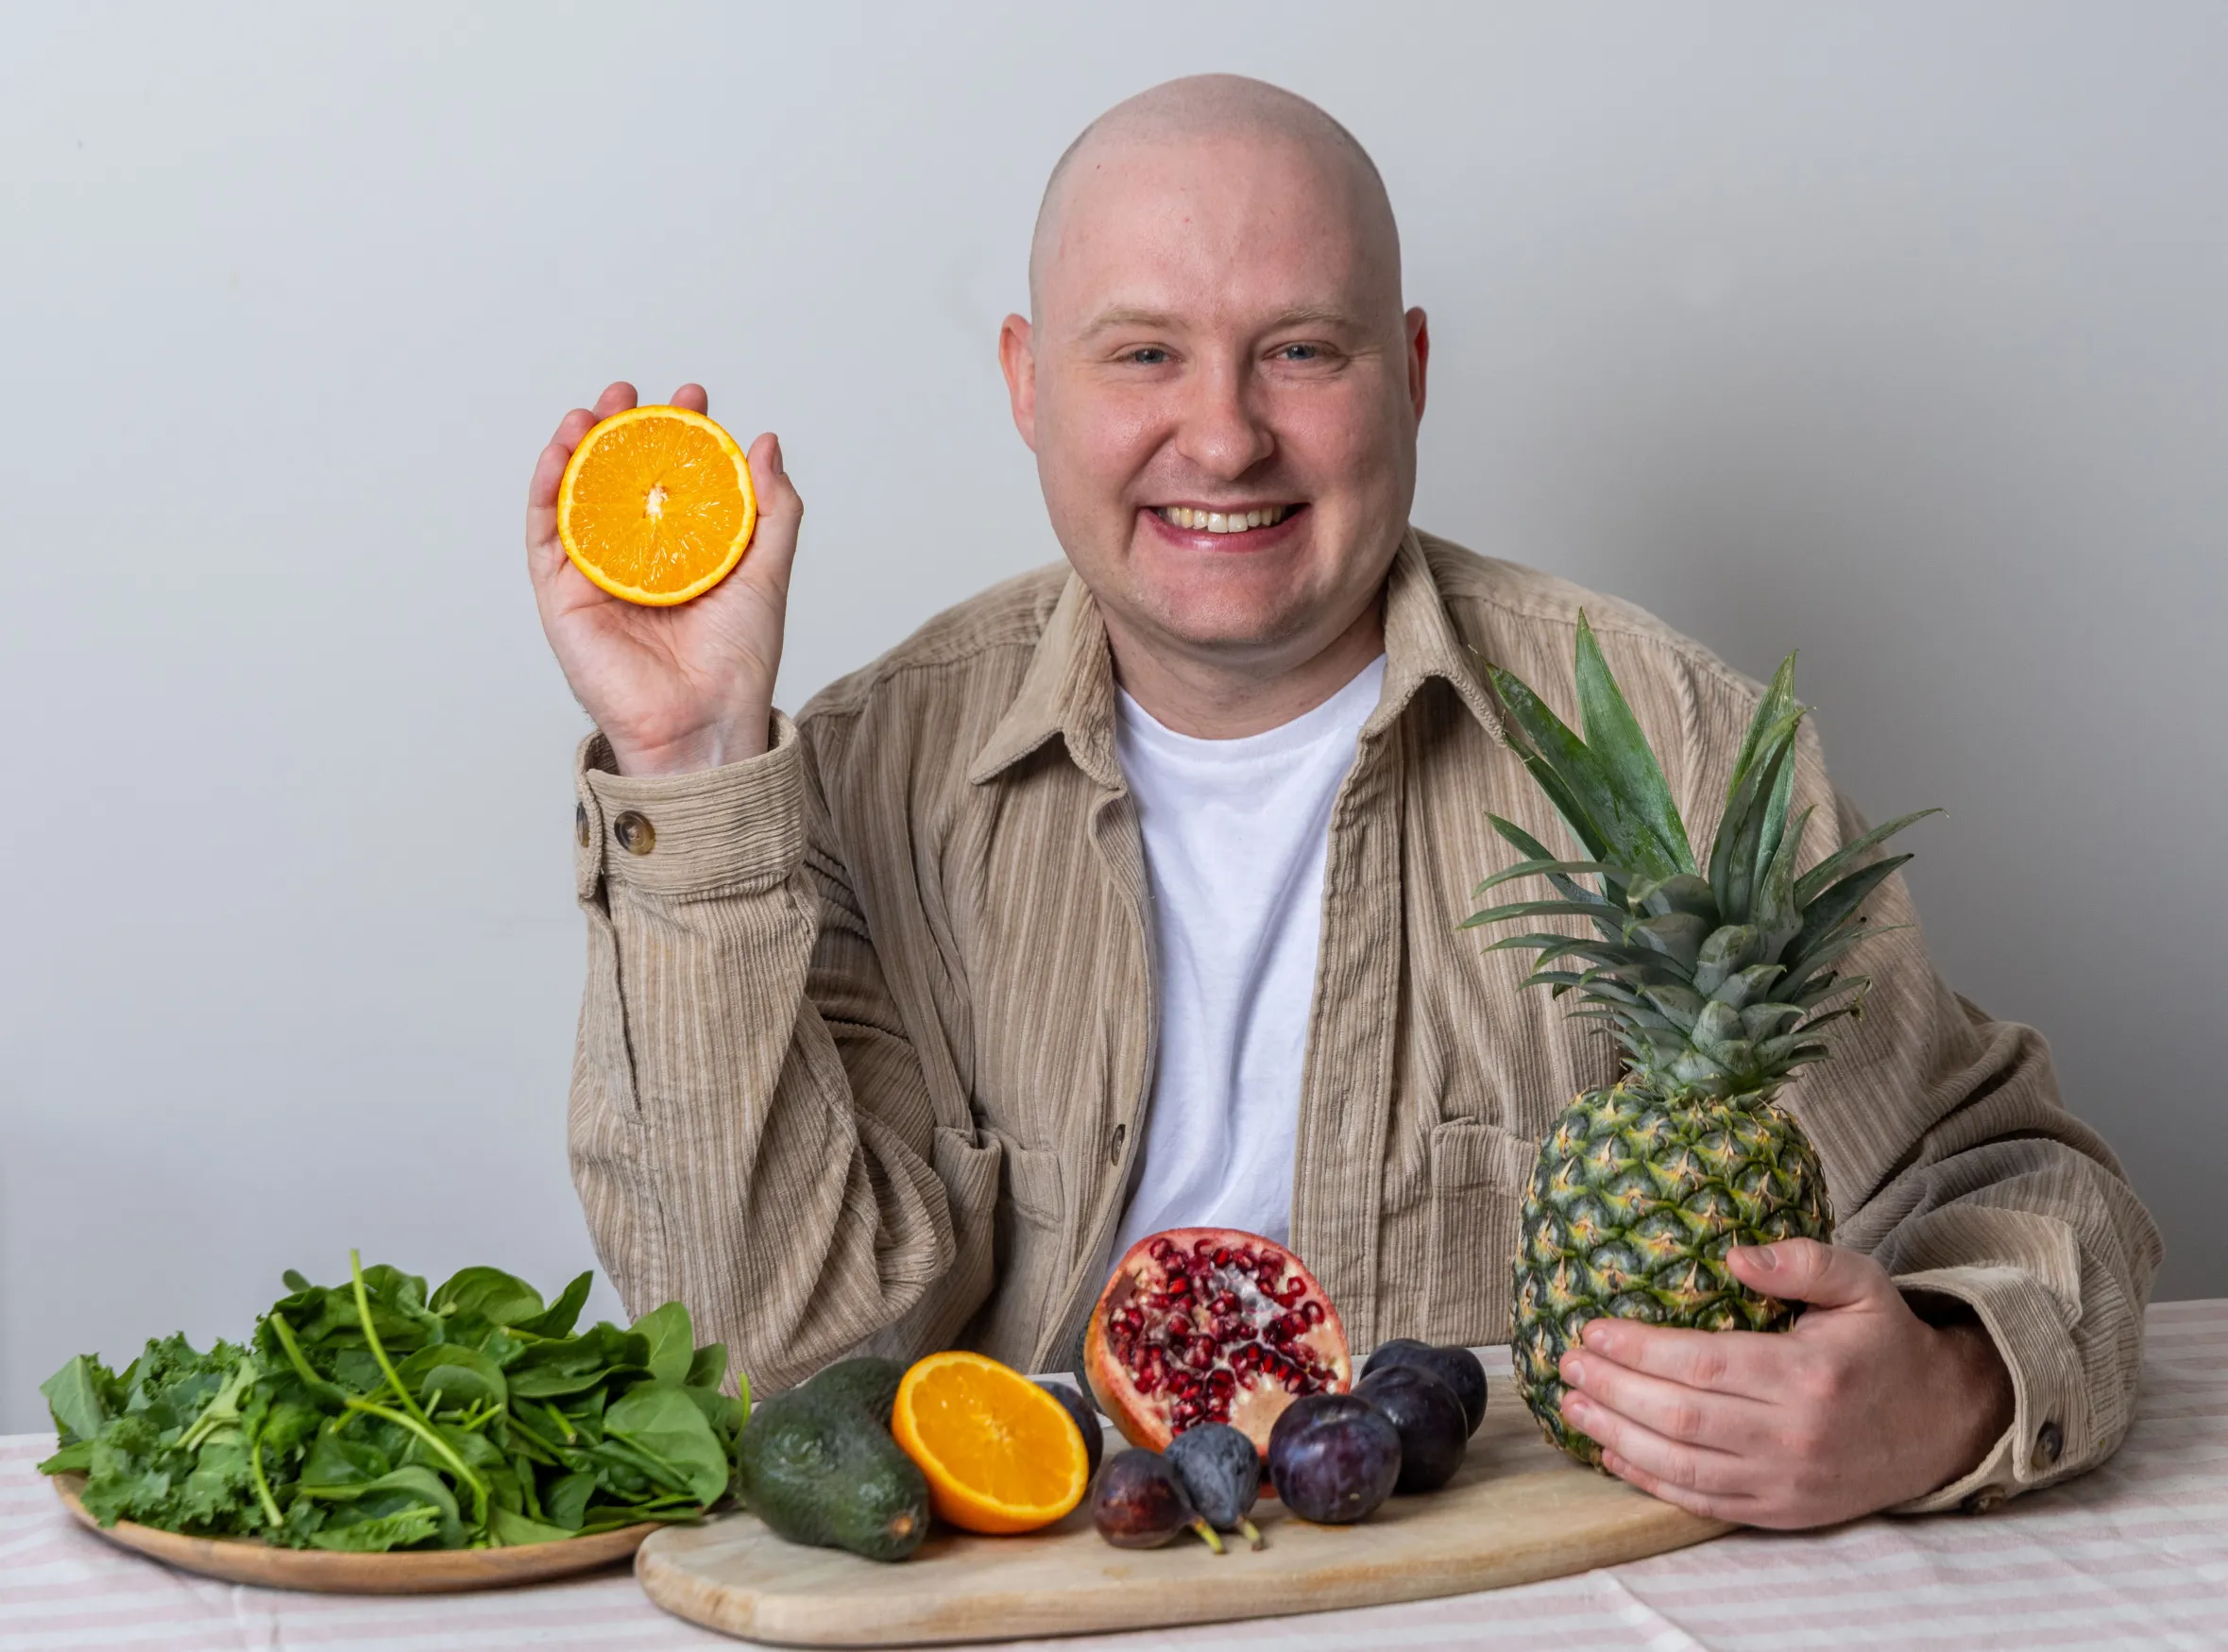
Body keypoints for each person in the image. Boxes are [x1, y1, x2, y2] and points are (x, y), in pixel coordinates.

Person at [523, 76, 2158, 1529]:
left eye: (1300, 351)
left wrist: (1945, 1388)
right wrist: (692, 760)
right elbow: (774, 1356)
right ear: (1029, 383)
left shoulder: (1657, 739)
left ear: (1410, 371)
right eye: (1143, 352)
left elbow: (2023, 1180)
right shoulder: (860, 772)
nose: (1223, 437)